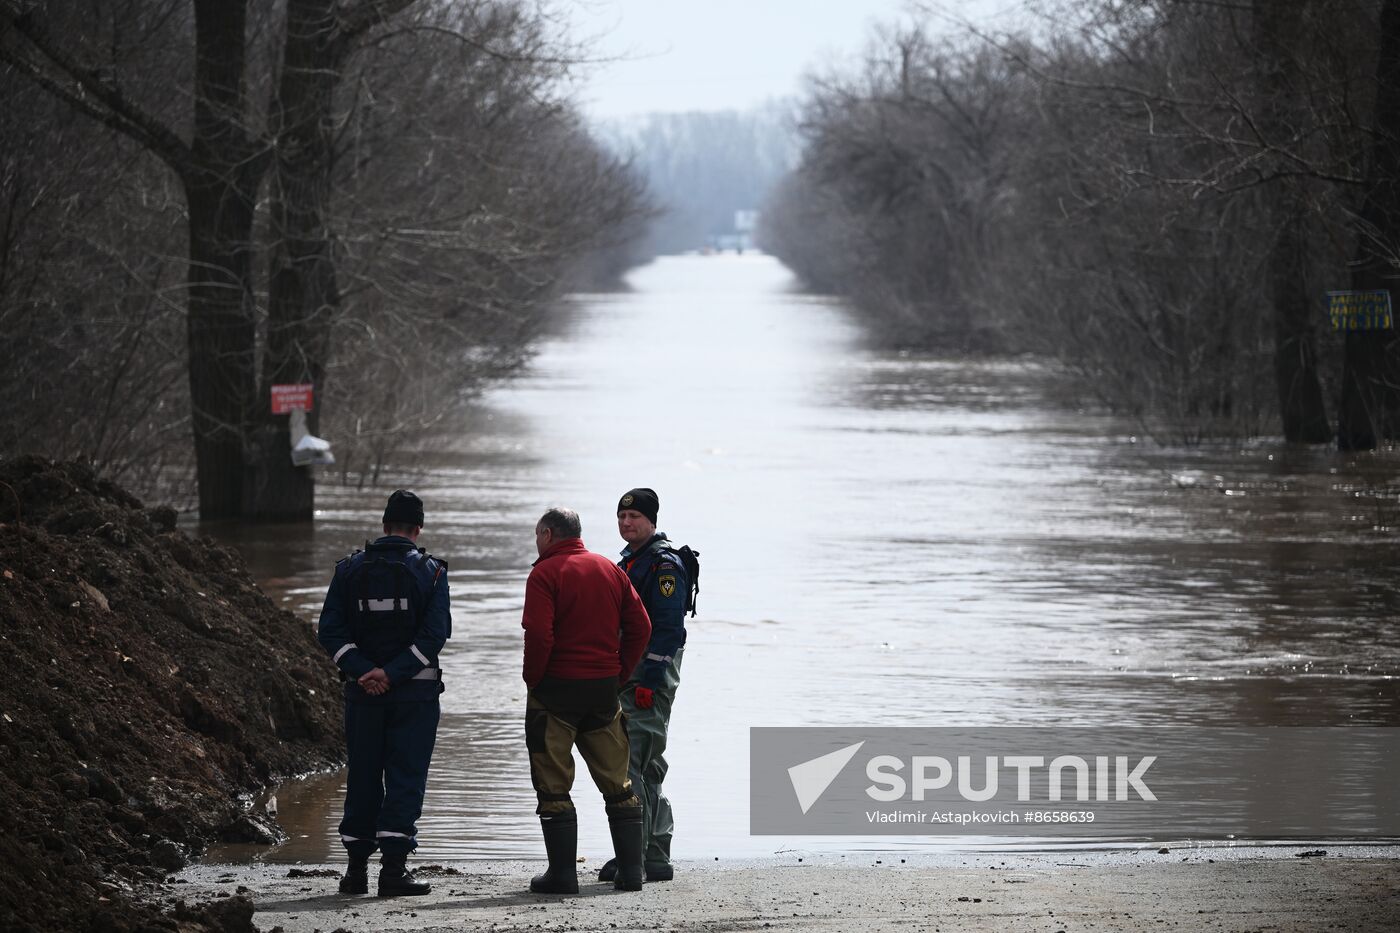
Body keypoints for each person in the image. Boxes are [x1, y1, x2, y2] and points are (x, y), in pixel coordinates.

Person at [317, 489, 450, 898]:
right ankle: (393, 872)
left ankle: (355, 872)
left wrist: (365, 671)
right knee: (405, 777)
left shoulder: (347, 570)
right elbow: (435, 635)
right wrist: (393, 673)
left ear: (384, 526)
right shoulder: (431, 573)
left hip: (363, 696)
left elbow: (330, 632)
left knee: (362, 775)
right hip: (414, 698)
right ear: (418, 528)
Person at [521, 507, 652, 892]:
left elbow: (539, 635)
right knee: (618, 783)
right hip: (602, 691)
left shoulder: (544, 573)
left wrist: (534, 680)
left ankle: (562, 875)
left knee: (553, 784)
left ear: (547, 534)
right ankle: (631, 872)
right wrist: (620, 673)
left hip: (555, 693)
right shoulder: (610, 569)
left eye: (537, 535)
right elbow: (641, 626)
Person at [598, 487, 688, 883]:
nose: (626, 522)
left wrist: (650, 680)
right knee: (645, 763)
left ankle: (639, 854)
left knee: (633, 761)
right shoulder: (632, 561)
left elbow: (669, 632)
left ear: (652, 520)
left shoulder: (662, 565)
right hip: (631, 676)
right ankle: (648, 853)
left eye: (633, 517)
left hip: (648, 678)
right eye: (621, 516)